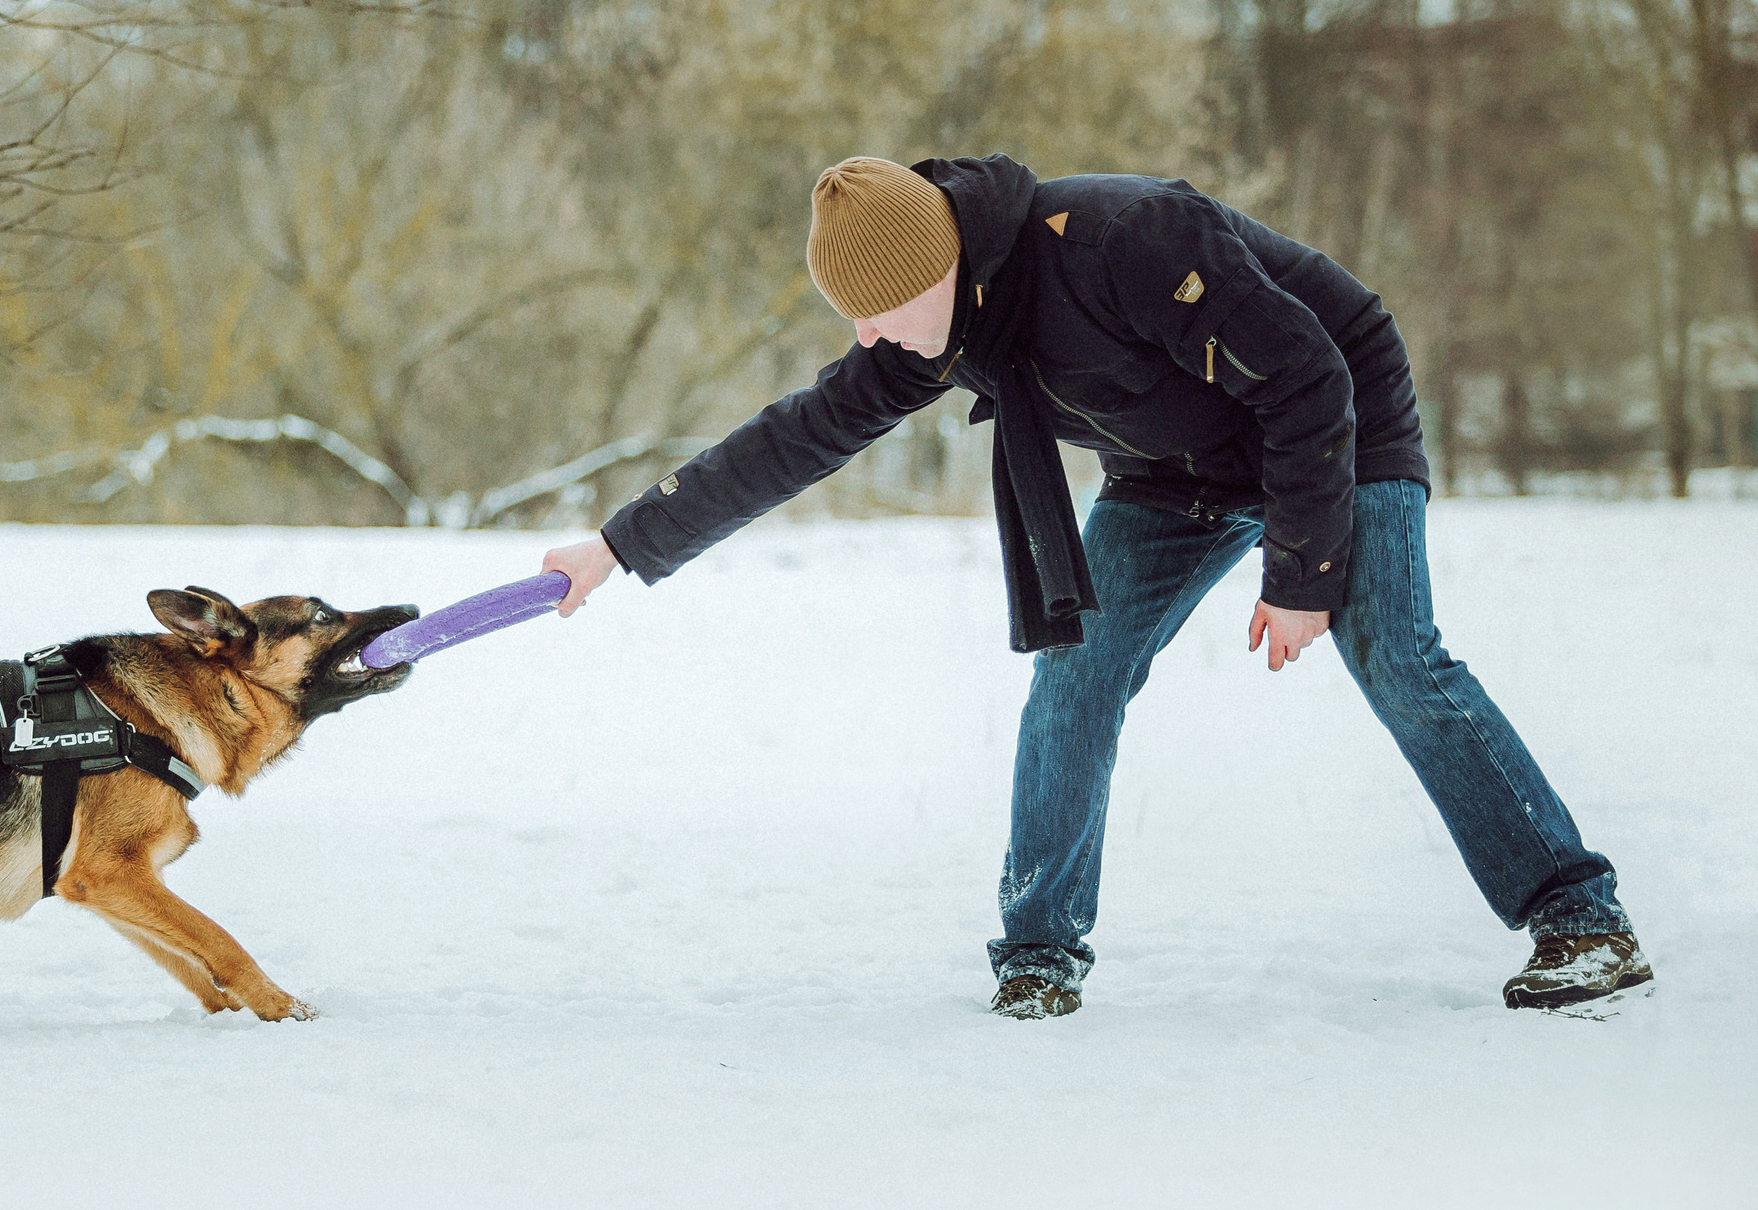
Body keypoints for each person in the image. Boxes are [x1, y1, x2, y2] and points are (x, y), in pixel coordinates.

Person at [541, 154, 1650, 1017]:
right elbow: (793, 439)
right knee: (1075, 671)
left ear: (939, 271)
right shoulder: (938, 327)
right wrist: (621, 544)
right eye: (854, 321)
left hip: (1333, 424)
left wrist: (1304, 573)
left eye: (878, 312)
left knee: (1395, 657)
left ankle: (1579, 920)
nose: (869, 340)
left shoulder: (1123, 235)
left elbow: (1308, 374)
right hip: (1172, 475)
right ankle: (1037, 957)